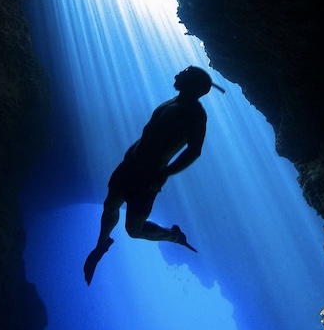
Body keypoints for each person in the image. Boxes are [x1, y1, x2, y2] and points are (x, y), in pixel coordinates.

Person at [83, 66, 225, 286]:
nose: (178, 74)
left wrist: (165, 173)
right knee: (110, 205)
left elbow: (194, 151)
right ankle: (101, 245)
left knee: (134, 230)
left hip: (148, 176)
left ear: (194, 84)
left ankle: (174, 236)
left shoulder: (196, 114)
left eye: (184, 73)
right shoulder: (172, 102)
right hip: (129, 166)